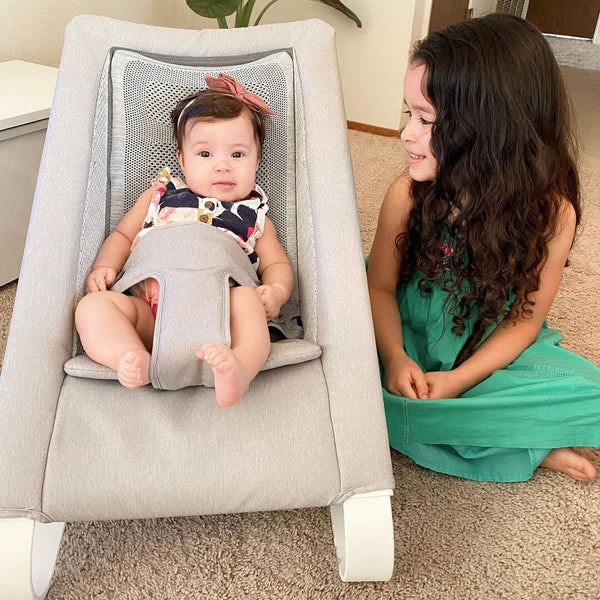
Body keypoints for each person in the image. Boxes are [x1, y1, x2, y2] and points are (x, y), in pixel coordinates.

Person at [367, 14, 600, 483]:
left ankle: (486, 426)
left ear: (489, 129)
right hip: (406, 329)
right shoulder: (407, 194)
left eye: (425, 119)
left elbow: (525, 320)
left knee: (588, 394)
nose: (406, 134)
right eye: (408, 114)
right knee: (354, 394)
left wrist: (458, 381)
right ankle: (525, 441)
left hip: (487, 338)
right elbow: (378, 289)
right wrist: (395, 358)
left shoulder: (554, 214)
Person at [75, 73, 293, 407]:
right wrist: (105, 267)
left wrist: (276, 290)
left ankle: (239, 367)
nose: (222, 166)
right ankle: (130, 355)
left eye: (237, 155)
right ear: (181, 159)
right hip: (151, 316)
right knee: (93, 308)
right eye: (205, 154)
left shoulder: (255, 215)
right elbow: (122, 234)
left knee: (247, 303)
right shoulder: (160, 194)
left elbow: (277, 263)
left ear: (257, 159)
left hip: (221, 314)